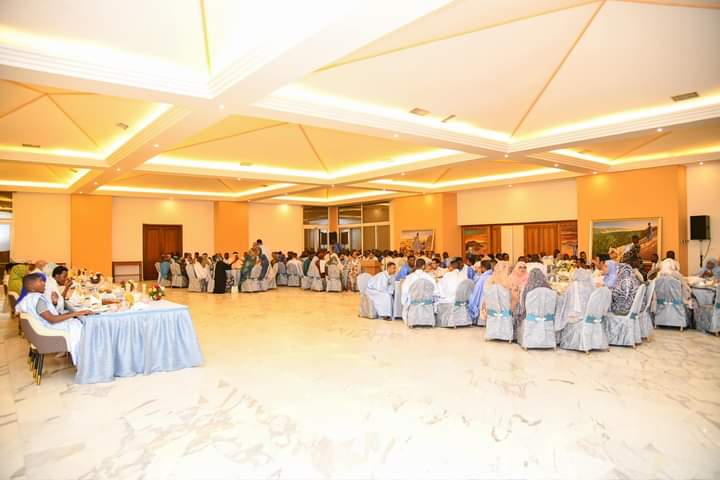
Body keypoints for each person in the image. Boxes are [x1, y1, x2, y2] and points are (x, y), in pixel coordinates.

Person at [16, 273, 93, 364]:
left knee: (75, 319)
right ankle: (86, 359)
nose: (44, 283)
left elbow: (43, 315)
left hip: (42, 328)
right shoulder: (38, 299)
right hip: (50, 328)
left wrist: (54, 303)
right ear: (32, 287)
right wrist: (76, 313)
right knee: (82, 325)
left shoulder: (27, 299)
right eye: (40, 281)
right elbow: (52, 319)